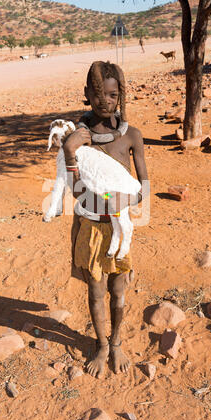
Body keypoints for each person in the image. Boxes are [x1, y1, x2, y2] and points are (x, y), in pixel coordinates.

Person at [63, 61, 148, 379]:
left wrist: (120, 202)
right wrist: (70, 153)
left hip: (119, 228)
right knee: (96, 292)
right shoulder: (76, 139)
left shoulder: (131, 137)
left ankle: (117, 343)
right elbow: (74, 192)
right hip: (90, 228)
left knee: (119, 290)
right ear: (86, 94)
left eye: (112, 95)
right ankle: (101, 346)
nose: (105, 101)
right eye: (98, 94)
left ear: (121, 95)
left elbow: (143, 189)